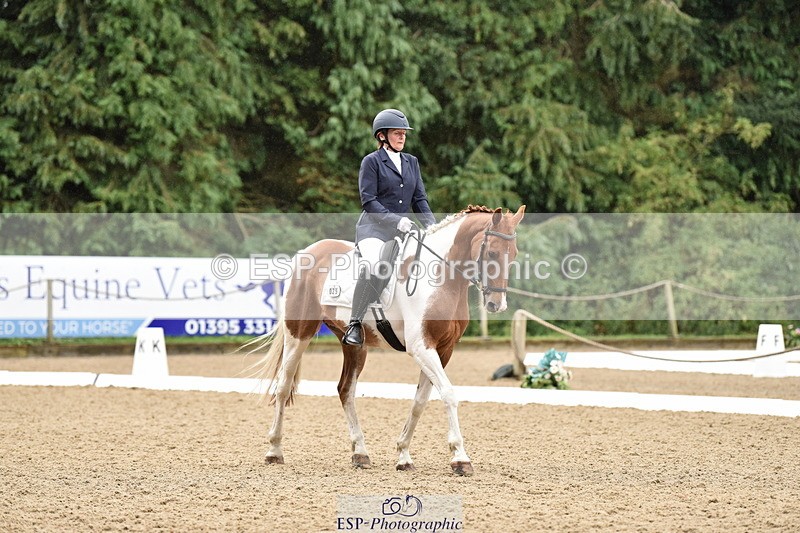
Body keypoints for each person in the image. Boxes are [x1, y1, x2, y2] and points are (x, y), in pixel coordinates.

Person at [341, 108, 437, 346]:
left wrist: (433, 227)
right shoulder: (372, 162)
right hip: (373, 230)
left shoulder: (412, 162)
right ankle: (354, 323)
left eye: (404, 133)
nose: (402, 137)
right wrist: (397, 220)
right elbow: (369, 201)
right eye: (397, 133)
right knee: (375, 264)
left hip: (402, 232)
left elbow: (420, 200)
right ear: (382, 136)